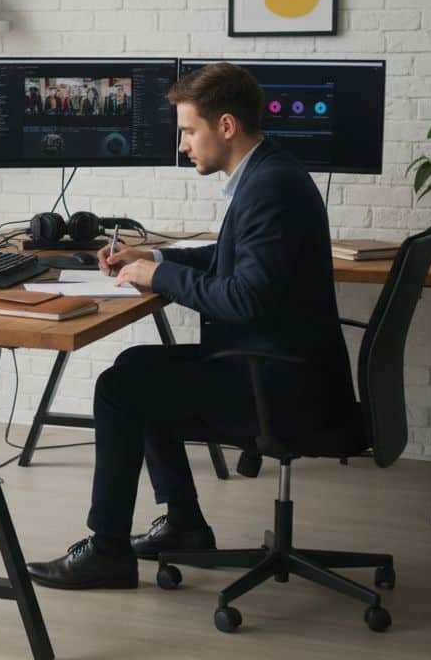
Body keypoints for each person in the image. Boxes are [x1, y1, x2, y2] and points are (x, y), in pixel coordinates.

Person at [25, 62, 358, 589]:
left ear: (225, 126)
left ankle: (109, 550)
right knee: (138, 369)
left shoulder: (269, 187)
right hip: (281, 363)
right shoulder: (269, 172)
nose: (182, 144)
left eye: (187, 131)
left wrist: (159, 276)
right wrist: (154, 256)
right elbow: (233, 258)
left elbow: (245, 298)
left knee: (120, 389)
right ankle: (184, 524)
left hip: (279, 383)